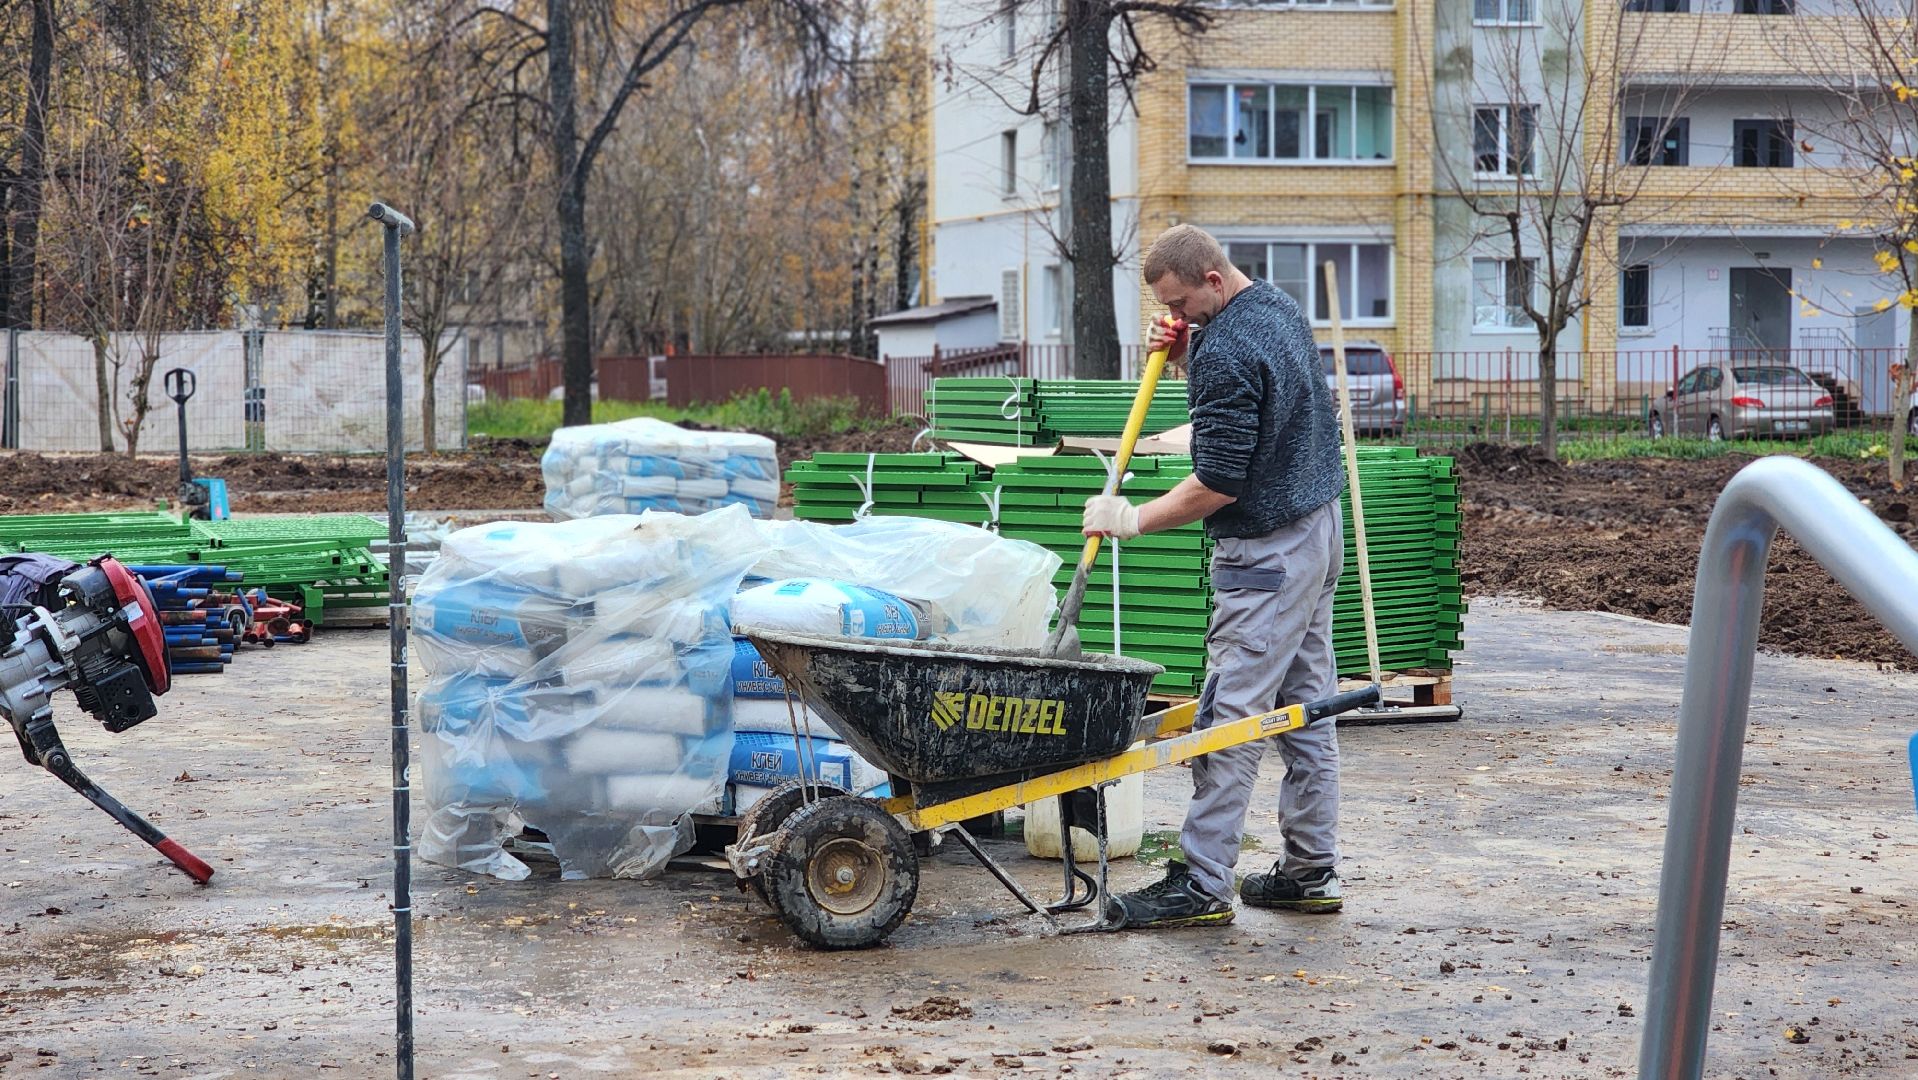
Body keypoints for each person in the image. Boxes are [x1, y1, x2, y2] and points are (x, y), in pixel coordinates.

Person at [1082, 224, 1347, 929]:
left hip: (1266, 555)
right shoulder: (1275, 305)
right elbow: (1257, 389)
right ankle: (1311, 872)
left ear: (1212, 279)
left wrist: (1131, 518)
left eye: (1182, 304)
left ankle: (1201, 884)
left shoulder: (1225, 350)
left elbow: (1218, 482)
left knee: (1228, 718)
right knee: (1306, 707)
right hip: (1316, 530)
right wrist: (1183, 349)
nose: (1177, 315)